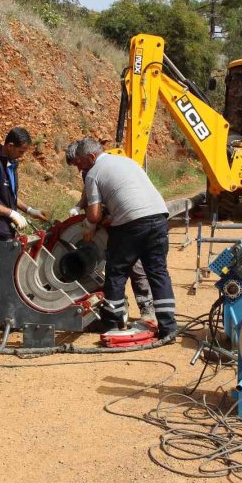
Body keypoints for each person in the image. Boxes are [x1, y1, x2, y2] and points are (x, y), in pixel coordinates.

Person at [68, 138, 177, 340]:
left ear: (91, 156)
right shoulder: (126, 161)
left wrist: (89, 225)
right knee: (158, 272)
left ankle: (111, 322)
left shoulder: (93, 172)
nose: (80, 168)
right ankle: (168, 327)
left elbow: (94, 215)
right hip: (159, 217)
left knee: (116, 271)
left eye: (81, 162)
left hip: (132, 223)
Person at [0, 127, 49, 324]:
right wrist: (11, 213)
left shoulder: (10, 163)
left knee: (6, 273)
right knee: (0, 276)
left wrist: (30, 210)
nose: (22, 155)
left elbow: (9, 196)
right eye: (20, 151)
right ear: (9, 146)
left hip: (3, 227)